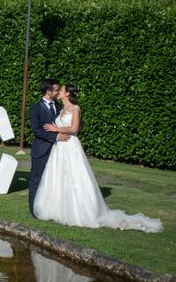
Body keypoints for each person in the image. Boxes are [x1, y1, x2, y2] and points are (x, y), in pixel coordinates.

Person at [33, 84, 162, 232]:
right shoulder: (60, 110)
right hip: (59, 148)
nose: (59, 92)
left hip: (70, 146)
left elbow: (74, 128)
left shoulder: (76, 109)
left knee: (75, 177)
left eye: (61, 90)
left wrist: (57, 129)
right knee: (59, 177)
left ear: (67, 94)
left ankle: (80, 211)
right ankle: (58, 209)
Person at [28, 79, 69, 217]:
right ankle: (34, 211)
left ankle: (51, 210)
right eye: (56, 90)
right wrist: (56, 137)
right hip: (41, 149)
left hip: (59, 151)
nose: (58, 92)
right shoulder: (35, 108)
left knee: (55, 181)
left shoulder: (60, 108)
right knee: (36, 180)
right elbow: (36, 130)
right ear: (48, 92)